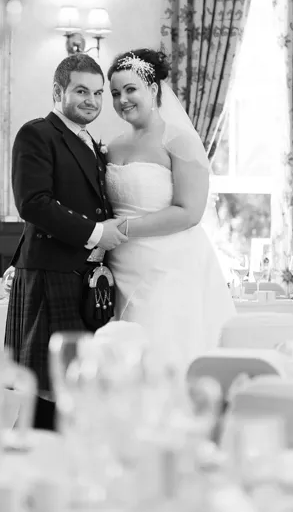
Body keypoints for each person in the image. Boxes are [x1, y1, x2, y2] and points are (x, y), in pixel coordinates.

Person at [5, 53, 127, 430]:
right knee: (47, 392)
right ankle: (21, 469)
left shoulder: (88, 141)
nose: (91, 100)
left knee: (72, 392)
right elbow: (33, 203)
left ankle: (52, 472)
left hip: (83, 280)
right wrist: (96, 233)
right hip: (49, 274)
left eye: (97, 92)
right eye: (81, 91)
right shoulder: (37, 133)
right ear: (58, 91)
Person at [104, 48, 236, 371]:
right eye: (116, 93)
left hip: (168, 268)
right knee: (124, 361)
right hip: (120, 266)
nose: (123, 99)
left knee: (160, 356)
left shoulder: (180, 141)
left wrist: (123, 229)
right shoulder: (113, 145)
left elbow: (189, 212)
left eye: (130, 89)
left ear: (153, 89)